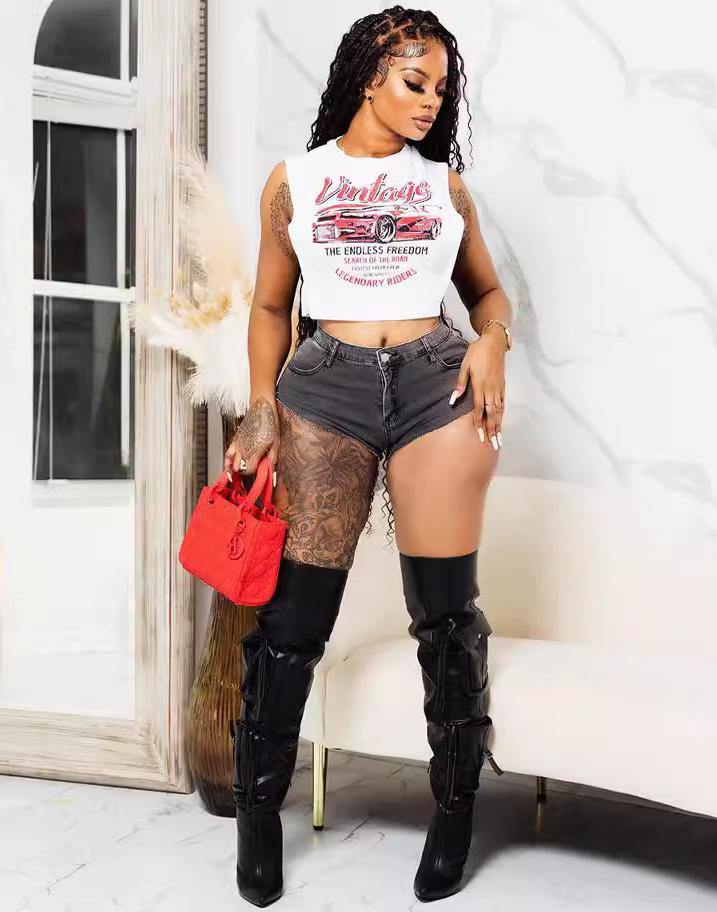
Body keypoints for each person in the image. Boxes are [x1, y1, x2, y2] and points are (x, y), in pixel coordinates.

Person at [223, 6, 513, 907]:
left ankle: (455, 812)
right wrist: (261, 409)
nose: (430, 102)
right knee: (294, 622)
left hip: (438, 386)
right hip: (325, 392)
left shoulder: (445, 189)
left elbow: (489, 295)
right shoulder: (296, 183)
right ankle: (257, 813)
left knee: (447, 615)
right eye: (413, 82)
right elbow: (271, 307)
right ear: (366, 77)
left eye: (440, 89)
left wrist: (492, 341)